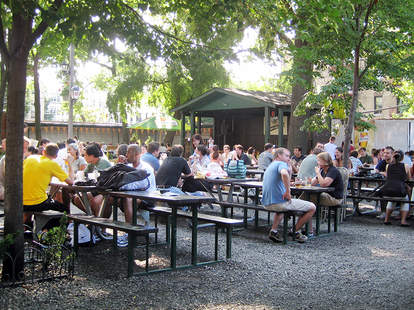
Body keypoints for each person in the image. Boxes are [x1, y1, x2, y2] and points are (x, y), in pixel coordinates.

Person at [262, 148, 316, 243]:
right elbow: (284, 174)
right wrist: (288, 192)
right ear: (279, 155)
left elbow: (286, 177)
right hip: (279, 203)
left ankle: (273, 231)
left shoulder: (271, 165)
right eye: (286, 156)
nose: (289, 158)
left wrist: (290, 171)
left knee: (282, 209)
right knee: (312, 207)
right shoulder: (281, 164)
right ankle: (294, 231)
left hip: (267, 203)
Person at [117, 144, 157, 247]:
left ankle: (129, 233)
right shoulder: (129, 167)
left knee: (128, 200)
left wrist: (123, 186)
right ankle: (101, 230)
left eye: (129, 152)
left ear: (138, 154)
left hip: (148, 196)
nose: (126, 154)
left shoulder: (145, 168)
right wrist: (119, 167)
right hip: (134, 195)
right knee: (109, 198)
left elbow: (143, 185)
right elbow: (119, 180)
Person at [23, 143, 73, 223]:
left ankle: (31, 227)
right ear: (56, 156)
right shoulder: (52, 164)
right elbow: (71, 181)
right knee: (64, 209)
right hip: (37, 202)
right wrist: (70, 163)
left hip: (21, 201)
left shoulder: (30, 158)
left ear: (43, 152)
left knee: (45, 203)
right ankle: (50, 230)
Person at [382, 150, 411, 226]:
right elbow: (409, 179)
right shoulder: (406, 166)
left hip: (387, 191)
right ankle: (403, 221)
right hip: (399, 192)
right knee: (405, 200)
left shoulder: (388, 166)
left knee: (392, 200)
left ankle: (386, 219)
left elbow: (388, 177)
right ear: (402, 158)